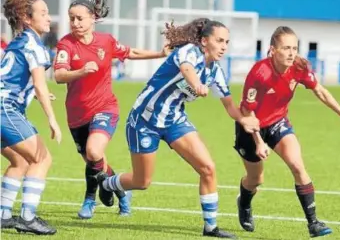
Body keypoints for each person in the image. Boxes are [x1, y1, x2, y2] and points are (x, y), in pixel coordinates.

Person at [96, 18, 260, 238]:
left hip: (174, 120)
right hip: (144, 121)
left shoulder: (216, 72)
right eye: (219, 40)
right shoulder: (189, 52)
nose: (223, 46)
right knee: (141, 181)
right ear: (204, 41)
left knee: (208, 168)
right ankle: (107, 184)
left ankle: (210, 227)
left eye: (227, 42)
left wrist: (244, 120)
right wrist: (196, 85)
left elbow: (229, 105)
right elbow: (186, 69)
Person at [234, 26, 340, 238]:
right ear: (272, 50)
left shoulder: (299, 66)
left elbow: (320, 91)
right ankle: (244, 203)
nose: (291, 53)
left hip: (278, 122)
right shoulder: (259, 72)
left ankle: (313, 223)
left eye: (295, 48)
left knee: (298, 165)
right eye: (286, 48)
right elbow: (246, 111)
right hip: (250, 126)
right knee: (256, 180)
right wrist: (258, 141)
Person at [53, 0, 170, 220]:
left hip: (105, 107)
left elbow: (130, 51)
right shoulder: (66, 44)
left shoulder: (105, 41)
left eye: (79, 18)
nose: (75, 23)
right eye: (71, 19)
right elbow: (58, 76)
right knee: (96, 161)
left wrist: (159, 53)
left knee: (94, 151)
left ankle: (89, 200)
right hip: (76, 114)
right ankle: (121, 191)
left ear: (93, 18)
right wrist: (81, 71)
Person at [0, 0, 62, 235]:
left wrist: (35, 94)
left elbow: (12, 78)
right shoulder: (34, 45)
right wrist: (52, 120)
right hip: (5, 109)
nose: (49, 18)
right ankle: (27, 217)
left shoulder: (19, 41)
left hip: (3, 106)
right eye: (43, 13)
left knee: (20, 161)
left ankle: (3, 215)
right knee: (42, 159)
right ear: (27, 18)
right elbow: (39, 83)